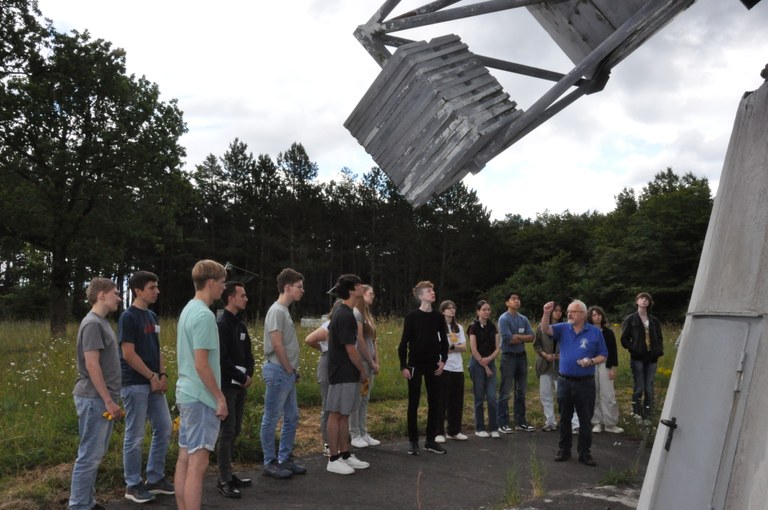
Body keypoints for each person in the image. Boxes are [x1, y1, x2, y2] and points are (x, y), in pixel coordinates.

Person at [174, 260, 228, 510]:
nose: (224, 288)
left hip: (186, 394)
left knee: (185, 458)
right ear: (210, 283)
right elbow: (201, 364)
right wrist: (219, 398)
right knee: (198, 464)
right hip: (201, 397)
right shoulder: (205, 315)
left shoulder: (187, 309)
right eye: (222, 282)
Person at [118, 271, 173, 504]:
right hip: (134, 384)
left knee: (164, 427)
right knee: (135, 435)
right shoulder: (128, 317)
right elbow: (128, 354)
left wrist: (162, 374)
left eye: (157, 286)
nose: (156, 291)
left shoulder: (152, 316)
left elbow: (157, 348)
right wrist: (150, 376)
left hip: (153, 382)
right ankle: (132, 484)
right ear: (138, 290)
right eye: (152, 287)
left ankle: (155, 478)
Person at [69, 277, 123, 510]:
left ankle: (87, 502)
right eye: (115, 293)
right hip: (94, 399)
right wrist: (108, 400)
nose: (119, 298)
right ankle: (79, 505)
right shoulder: (92, 324)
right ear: (101, 295)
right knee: (89, 455)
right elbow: (92, 365)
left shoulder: (101, 322)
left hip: (99, 399)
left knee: (95, 453)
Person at [540, 299, 607, 467]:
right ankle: (564, 450)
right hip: (564, 381)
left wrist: (591, 361)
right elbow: (545, 329)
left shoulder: (594, 332)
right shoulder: (563, 328)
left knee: (585, 419)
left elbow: (603, 355)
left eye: (573, 311)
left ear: (583, 314)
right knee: (565, 418)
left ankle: (585, 453)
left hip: (585, 383)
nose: (569, 313)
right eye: (568, 310)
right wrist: (546, 313)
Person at [260, 268, 307, 479]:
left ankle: (284, 458)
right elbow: (277, 344)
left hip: (286, 371)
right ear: (287, 287)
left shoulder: (284, 311)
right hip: (279, 370)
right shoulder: (277, 311)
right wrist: (289, 368)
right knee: (271, 417)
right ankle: (270, 462)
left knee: (292, 416)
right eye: (299, 287)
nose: (302, 290)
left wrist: (291, 370)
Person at [326, 274, 371, 474]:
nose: (362, 288)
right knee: (336, 414)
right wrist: (362, 370)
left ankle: (345, 454)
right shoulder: (343, 314)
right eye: (359, 285)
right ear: (352, 290)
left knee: (344, 415)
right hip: (342, 372)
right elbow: (350, 348)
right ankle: (333, 458)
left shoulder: (348, 313)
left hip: (348, 372)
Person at [398, 280, 450, 455]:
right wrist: (403, 366)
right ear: (421, 296)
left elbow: (444, 342)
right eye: (429, 291)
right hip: (414, 365)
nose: (433, 293)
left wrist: (443, 361)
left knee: (435, 403)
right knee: (413, 403)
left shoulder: (438, 317)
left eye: (433, 290)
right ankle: (413, 442)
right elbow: (403, 343)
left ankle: (430, 440)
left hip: (433, 365)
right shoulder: (412, 317)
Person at [215, 281, 255, 498]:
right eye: (242, 295)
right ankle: (223, 479)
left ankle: (230, 474)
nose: (246, 298)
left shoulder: (241, 324)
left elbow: (248, 353)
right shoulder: (222, 324)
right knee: (227, 432)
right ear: (231, 297)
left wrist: (249, 374)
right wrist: (240, 376)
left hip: (241, 386)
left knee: (235, 430)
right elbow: (221, 359)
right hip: (227, 386)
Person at [304, 301, 342, 456]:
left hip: (339, 365)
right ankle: (328, 443)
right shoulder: (328, 325)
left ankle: (338, 440)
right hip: (328, 365)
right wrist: (325, 349)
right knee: (328, 405)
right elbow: (309, 339)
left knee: (338, 405)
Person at [620, 292, 664, 419]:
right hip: (637, 358)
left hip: (652, 358)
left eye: (646, 299)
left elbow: (660, 338)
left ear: (649, 303)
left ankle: (648, 416)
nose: (644, 301)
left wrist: (659, 351)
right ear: (637, 301)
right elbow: (624, 339)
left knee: (649, 388)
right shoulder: (631, 319)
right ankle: (637, 415)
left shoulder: (654, 321)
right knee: (639, 387)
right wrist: (634, 348)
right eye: (641, 298)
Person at [497, 292, 535, 433]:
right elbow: (508, 339)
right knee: (505, 391)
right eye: (513, 299)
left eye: (518, 299)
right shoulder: (503, 319)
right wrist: (522, 337)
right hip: (508, 357)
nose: (517, 301)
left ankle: (521, 422)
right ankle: (502, 423)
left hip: (522, 357)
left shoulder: (523, 319)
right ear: (507, 303)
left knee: (521, 391)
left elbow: (532, 337)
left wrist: (518, 336)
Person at [350, 285, 381, 449]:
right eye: (370, 293)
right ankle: (354, 433)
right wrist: (369, 361)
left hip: (370, 362)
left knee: (365, 398)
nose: (372, 296)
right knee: (357, 398)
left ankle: (363, 432)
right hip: (361, 362)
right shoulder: (356, 313)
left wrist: (377, 360)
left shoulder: (368, 315)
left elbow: (373, 340)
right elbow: (360, 341)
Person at [468, 300, 501, 439]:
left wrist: (489, 360)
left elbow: (498, 347)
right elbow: (473, 348)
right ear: (478, 311)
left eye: (488, 309)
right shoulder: (473, 327)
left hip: (490, 361)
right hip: (477, 363)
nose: (486, 312)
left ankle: (494, 427)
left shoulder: (493, 327)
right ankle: (480, 427)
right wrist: (484, 363)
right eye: (484, 309)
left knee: (492, 397)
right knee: (480, 396)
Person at [436, 300, 468, 442]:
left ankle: (454, 430)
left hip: (457, 368)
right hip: (444, 367)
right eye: (448, 308)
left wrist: (452, 347)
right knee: (441, 400)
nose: (452, 310)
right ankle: (438, 432)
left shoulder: (458, 327)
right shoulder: (438, 327)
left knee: (456, 400)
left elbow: (464, 347)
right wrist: (454, 346)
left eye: (454, 308)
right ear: (442, 311)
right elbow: (440, 347)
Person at [588, 305, 624, 434]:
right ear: (590, 317)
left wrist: (613, 368)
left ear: (602, 316)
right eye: (594, 315)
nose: (597, 317)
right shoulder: (587, 332)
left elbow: (613, 351)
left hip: (606, 365)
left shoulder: (608, 333)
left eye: (599, 314)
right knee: (594, 394)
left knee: (608, 395)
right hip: (591, 365)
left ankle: (610, 423)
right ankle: (596, 422)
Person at [533, 302, 563, 432]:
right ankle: (550, 421)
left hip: (560, 365)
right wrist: (545, 355)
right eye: (555, 310)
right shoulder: (541, 326)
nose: (557, 313)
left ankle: (567, 420)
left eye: (560, 311)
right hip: (545, 364)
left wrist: (559, 355)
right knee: (545, 394)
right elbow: (536, 344)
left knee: (561, 395)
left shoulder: (564, 327)